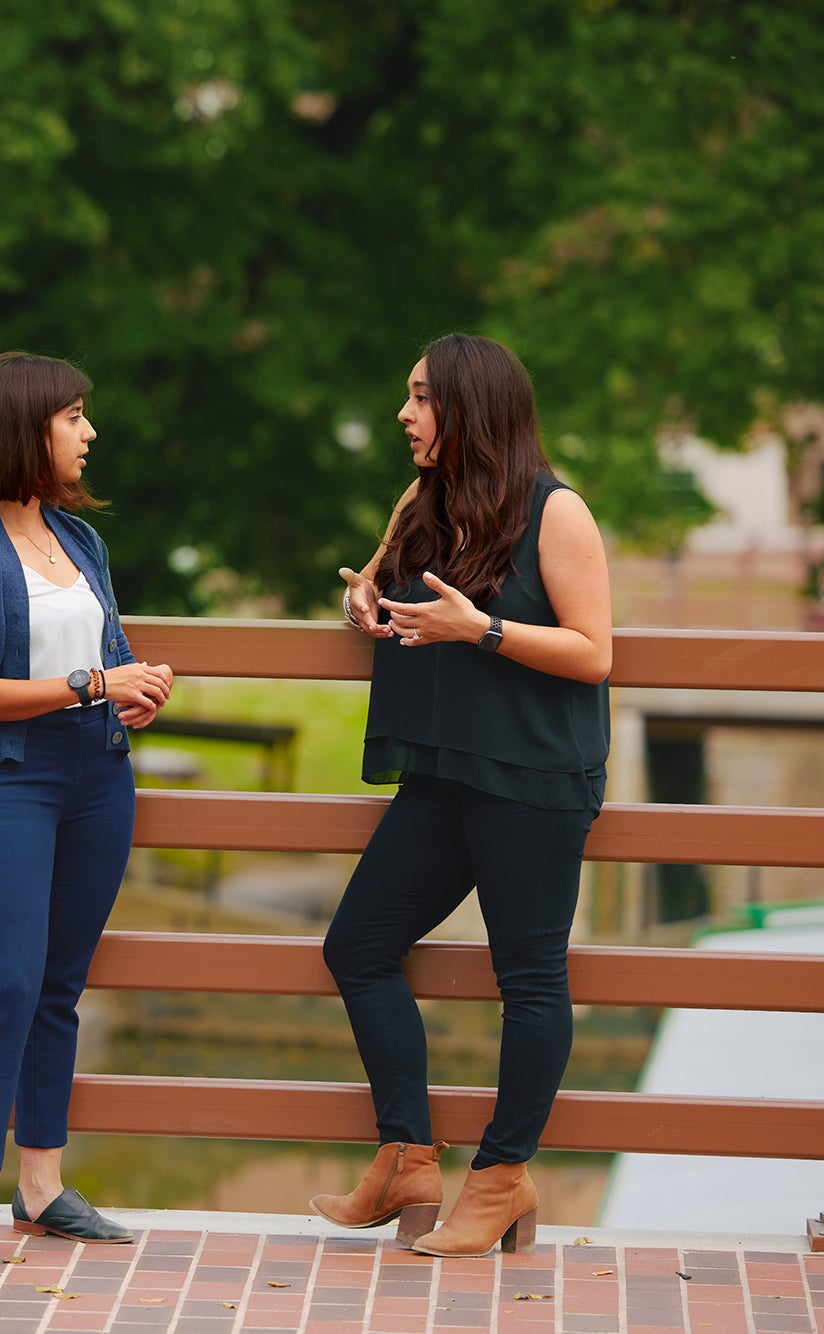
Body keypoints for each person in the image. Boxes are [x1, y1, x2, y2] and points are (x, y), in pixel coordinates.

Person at [312, 333, 612, 1258]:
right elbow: (378, 586)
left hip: (531, 776)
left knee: (529, 981)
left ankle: (501, 1179)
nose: (404, 414)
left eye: (420, 398)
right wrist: (364, 599)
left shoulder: (557, 512)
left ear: (472, 409)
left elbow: (594, 651)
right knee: (357, 946)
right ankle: (406, 1154)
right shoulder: (422, 499)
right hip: (445, 772)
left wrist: (481, 630)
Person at [0, 351, 176, 1267]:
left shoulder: (82, 541)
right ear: (25, 427)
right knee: (10, 981)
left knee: (61, 983)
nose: (88, 433)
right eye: (74, 417)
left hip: (97, 779)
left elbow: (110, 655)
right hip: (7, 780)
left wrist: (137, 690)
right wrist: (93, 681)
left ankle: (43, 1185)